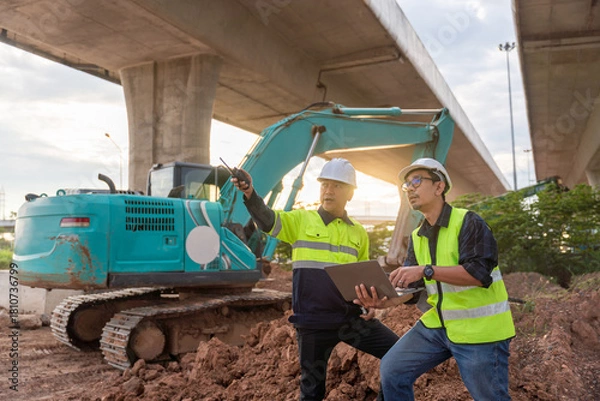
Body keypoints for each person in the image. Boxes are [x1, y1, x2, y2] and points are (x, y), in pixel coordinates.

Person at [232, 158, 399, 401]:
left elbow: (362, 278)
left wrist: (368, 305)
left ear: (350, 193)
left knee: (397, 353)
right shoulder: (301, 220)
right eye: (324, 184)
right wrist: (250, 192)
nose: (328, 190)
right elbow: (267, 220)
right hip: (313, 323)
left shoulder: (358, 232)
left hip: (350, 320)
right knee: (312, 391)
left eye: (337, 186)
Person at [354, 157, 515, 401]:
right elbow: (415, 287)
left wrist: (426, 270)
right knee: (392, 369)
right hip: (439, 325)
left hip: (480, 331)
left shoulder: (469, 222)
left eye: (416, 181)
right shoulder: (418, 236)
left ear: (439, 187)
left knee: (490, 396)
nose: (410, 189)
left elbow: (479, 274)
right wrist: (387, 303)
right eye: (406, 185)